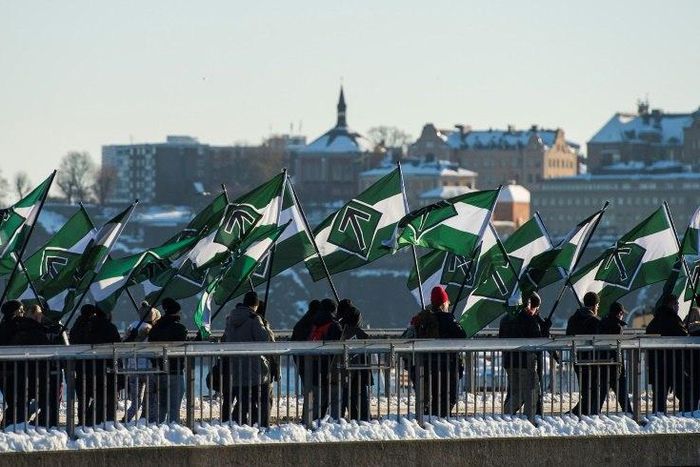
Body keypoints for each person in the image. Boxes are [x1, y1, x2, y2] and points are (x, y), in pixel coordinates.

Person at [221, 291, 274, 427]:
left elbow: (226, 339)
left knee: (243, 398)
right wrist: (265, 325)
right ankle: (262, 425)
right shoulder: (254, 318)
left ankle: (239, 425)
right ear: (255, 305)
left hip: (236, 365)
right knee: (262, 398)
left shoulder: (230, 318)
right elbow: (264, 339)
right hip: (254, 367)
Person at [414, 286, 466, 418]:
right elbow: (462, 334)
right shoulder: (447, 318)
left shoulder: (426, 318)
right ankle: (439, 419)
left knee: (436, 395)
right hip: (448, 364)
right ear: (444, 303)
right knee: (449, 396)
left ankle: (432, 417)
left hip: (429, 363)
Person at [0, 300, 50, 426]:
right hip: (17, 370)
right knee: (19, 402)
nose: (23, 312)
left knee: (15, 402)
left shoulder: (5, 325)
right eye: (20, 310)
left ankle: (8, 425)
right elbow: (32, 329)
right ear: (15, 311)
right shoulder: (17, 325)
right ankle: (14, 427)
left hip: (7, 370)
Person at [500, 292, 550, 419]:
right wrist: (545, 328)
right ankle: (529, 418)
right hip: (525, 362)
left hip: (509, 361)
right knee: (530, 392)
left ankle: (507, 415)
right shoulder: (528, 319)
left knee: (516, 392)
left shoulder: (505, 319)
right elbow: (538, 340)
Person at [69, 305, 121, 425]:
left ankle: (82, 421)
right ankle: (94, 420)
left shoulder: (78, 327)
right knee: (100, 395)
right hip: (101, 368)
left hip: (81, 367)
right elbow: (117, 346)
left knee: (83, 397)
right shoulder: (107, 327)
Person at [646, 294, 691, 413]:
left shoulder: (654, 320)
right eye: (677, 304)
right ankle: (686, 415)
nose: (678, 307)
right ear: (671, 304)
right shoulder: (673, 318)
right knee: (685, 392)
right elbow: (684, 335)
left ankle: (657, 419)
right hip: (674, 364)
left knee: (659, 396)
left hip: (657, 365)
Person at [148, 297, 188, 424]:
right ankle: (173, 431)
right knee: (174, 408)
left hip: (159, 371)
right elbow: (183, 347)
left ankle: (158, 429)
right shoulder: (180, 328)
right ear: (176, 312)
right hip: (175, 370)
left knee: (162, 406)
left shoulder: (155, 328)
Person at [303, 298, 343, 421]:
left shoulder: (314, 323)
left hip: (314, 368)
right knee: (335, 400)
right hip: (331, 370)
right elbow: (339, 348)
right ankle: (335, 425)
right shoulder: (334, 325)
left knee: (316, 401)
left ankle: (310, 423)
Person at [566, 291, 603, 415]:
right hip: (592, 360)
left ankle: (579, 412)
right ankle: (580, 413)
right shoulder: (595, 321)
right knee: (593, 390)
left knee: (586, 389)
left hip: (577, 358)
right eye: (597, 306)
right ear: (594, 306)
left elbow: (568, 336)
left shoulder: (573, 319)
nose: (597, 308)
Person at [124, 302, 160, 422]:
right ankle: (148, 421)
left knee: (135, 402)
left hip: (133, 367)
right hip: (148, 368)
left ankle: (126, 420)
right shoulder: (151, 329)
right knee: (151, 398)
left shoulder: (131, 327)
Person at [338, 305, 373, 421]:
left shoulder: (340, 331)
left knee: (342, 400)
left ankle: (339, 421)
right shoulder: (362, 335)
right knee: (360, 401)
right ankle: (363, 420)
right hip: (359, 373)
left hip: (342, 374)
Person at [598, 302, 633, 414]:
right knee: (622, 394)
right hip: (616, 365)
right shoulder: (617, 327)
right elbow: (616, 347)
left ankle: (592, 414)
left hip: (603, 363)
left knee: (601, 394)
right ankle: (630, 414)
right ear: (620, 313)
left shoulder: (602, 323)